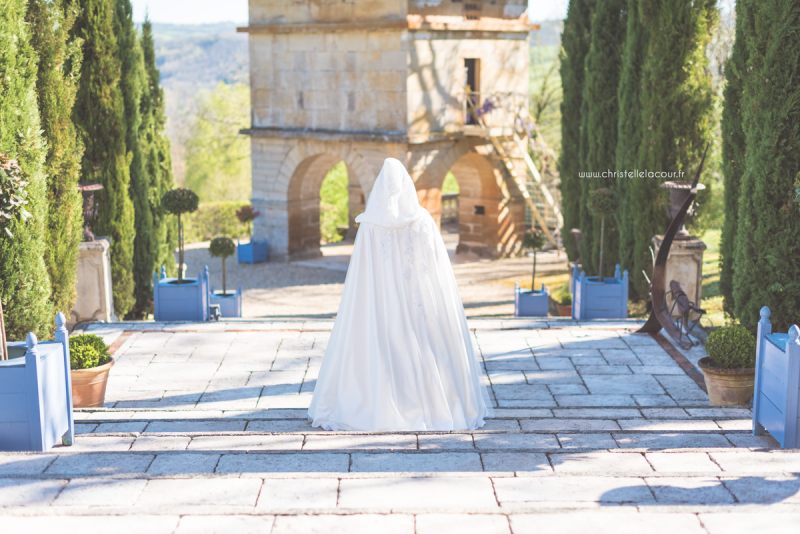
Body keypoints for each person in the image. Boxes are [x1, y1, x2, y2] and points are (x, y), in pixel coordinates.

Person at [308, 158, 493, 431]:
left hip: (381, 299)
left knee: (383, 345)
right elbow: (437, 266)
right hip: (418, 299)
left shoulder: (370, 225)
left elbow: (361, 274)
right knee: (427, 345)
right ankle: (431, 404)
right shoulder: (423, 220)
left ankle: (380, 407)